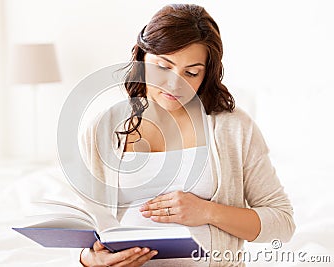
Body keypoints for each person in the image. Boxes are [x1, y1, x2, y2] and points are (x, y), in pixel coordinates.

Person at [77, 4, 295, 267]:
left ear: (206, 74)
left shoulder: (233, 128)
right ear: (143, 57)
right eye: (163, 67)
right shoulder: (103, 126)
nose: (174, 84)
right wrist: (89, 259)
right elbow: (79, 226)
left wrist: (207, 212)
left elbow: (282, 223)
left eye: (191, 73)